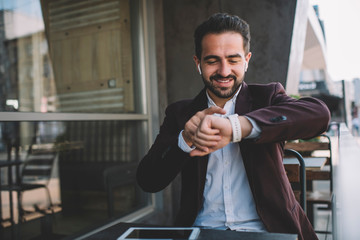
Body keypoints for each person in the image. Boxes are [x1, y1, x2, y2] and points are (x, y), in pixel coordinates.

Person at [136, 13, 330, 240]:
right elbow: (148, 180)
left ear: (247, 60)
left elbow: (320, 115)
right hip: (202, 231)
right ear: (198, 63)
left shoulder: (267, 97)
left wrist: (238, 126)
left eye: (233, 59)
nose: (224, 70)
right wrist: (184, 141)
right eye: (212, 60)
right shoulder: (180, 113)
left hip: (268, 231)